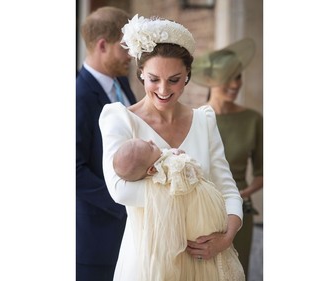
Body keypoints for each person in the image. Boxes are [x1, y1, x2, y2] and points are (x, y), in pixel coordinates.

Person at [99, 14, 244, 281]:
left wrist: (226, 237)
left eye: (174, 79)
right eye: (154, 79)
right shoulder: (119, 118)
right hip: (147, 262)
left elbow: (228, 188)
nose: (163, 90)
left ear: (188, 75)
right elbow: (120, 190)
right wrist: (193, 190)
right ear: (140, 71)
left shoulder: (204, 120)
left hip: (205, 261)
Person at [112, 138, 245, 280]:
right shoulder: (162, 173)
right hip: (192, 238)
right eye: (150, 147)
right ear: (151, 170)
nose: (151, 141)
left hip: (213, 238)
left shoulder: (158, 160)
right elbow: (182, 174)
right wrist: (177, 159)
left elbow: (228, 190)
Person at [192, 38, 264, 279]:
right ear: (211, 80)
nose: (235, 84)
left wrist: (239, 196)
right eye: (229, 77)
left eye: (239, 76)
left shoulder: (253, 119)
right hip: (199, 212)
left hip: (239, 212)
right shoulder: (195, 119)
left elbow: (263, 173)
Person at [76, 6, 137, 281]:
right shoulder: (77, 97)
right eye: (125, 47)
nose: (131, 56)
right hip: (96, 239)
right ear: (102, 45)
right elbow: (74, 170)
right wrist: (125, 203)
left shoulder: (123, 82)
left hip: (131, 235)